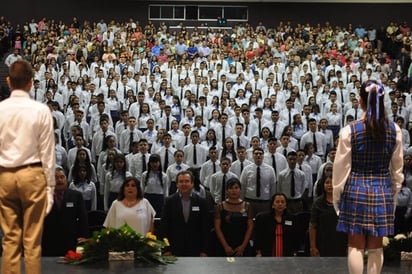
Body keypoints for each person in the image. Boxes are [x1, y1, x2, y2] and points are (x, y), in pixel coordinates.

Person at [333, 80, 404, 274]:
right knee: (375, 246)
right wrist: (394, 195)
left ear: (361, 101)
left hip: (355, 189)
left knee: (355, 245)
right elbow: (397, 170)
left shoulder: (349, 131)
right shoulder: (395, 130)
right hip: (382, 190)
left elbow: (341, 170)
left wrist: (337, 197)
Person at [0, 60, 55, 274]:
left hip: (4, 175)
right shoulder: (40, 110)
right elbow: (47, 153)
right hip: (32, 175)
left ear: (8, 81)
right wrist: (50, 188)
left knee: (10, 239)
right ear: (31, 83)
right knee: (32, 242)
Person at [158, 170, 210, 257]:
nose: (184, 184)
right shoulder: (169, 201)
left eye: (186, 181)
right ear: (177, 184)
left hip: (196, 250)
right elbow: (164, 227)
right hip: (174, 250)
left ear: (192, 184)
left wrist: (204, 250)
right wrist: (166, 249)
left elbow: (205, 228)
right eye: (181, 181)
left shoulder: (201, 202)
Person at [42, 166, 89, 256]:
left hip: (70, 241)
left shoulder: (76, 196)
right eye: (56, 178)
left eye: (62, 177)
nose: (59, 180)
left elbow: (83, 219)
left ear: (66, 179)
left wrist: (84, 237)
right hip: (48, 241)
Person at [214, 177, 254, 256]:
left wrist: (243, 247)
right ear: (226, 190)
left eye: (236, 188)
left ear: (240, 189)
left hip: (243, 244)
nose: (234, 190)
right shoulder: (219, 207)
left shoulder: (247, 206)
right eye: (231, 188)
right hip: (224, 245)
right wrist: (225, 246)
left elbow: (250, 227)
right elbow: (217, 228)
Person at [309, 176, 347, 257]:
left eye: (333, 183)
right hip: (323, 243)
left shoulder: (344, 202)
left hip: (341, 241)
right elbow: (313, 226)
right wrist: (313, 247)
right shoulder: (318, 203)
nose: (330, 185)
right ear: (323, 185)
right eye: (327, 183)